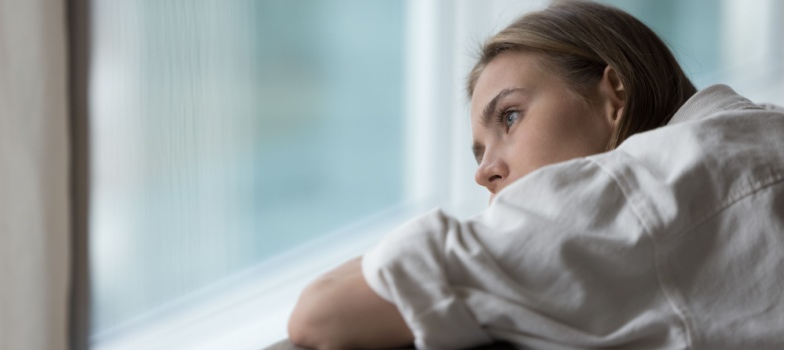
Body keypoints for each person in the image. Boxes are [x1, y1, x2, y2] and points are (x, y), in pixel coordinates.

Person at [287, 1, 784, 349]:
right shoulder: (750, 135)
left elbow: (323, 312)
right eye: (477, 154)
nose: (483, 173)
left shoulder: (641, 192)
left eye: (510, 117)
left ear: (615, 95)